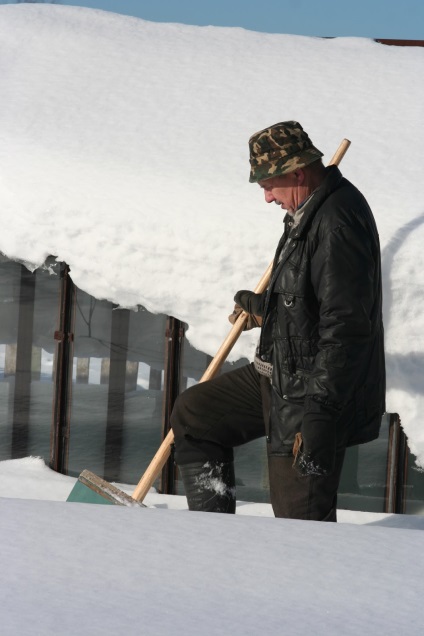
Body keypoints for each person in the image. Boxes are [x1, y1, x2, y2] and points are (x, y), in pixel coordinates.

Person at [171, 120, 385, 521]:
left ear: (298, 172)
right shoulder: (307, 209)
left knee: (298, 524)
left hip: (311, 393)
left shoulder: (338, 222)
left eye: (269, 186)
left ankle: (308, 582)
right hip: (276, 375)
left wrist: (321, 412)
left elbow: (346, 328)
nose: (267, 198)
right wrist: (267, 307)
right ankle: (207, 533)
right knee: (195, 415)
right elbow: (310, 298)